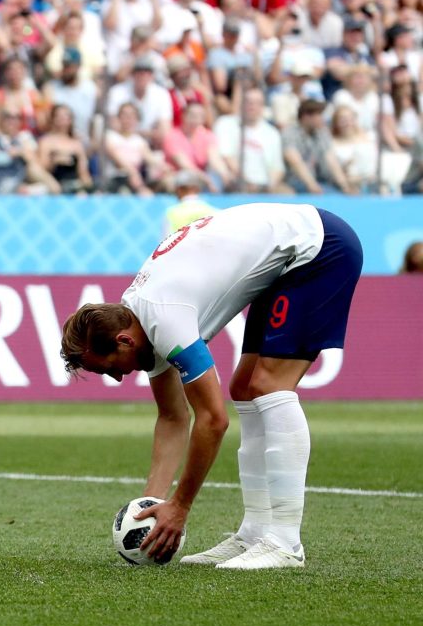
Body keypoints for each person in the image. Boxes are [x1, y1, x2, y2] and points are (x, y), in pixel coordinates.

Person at [60, 203, 364, 569]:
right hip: (286, 257)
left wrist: (180, 507)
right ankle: (255, 532)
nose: (119, 378)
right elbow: (174, 418)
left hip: (318, 246)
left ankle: (285, 541)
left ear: (124, 341)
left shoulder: (162, 316)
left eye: (110, 368)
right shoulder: (138, 320)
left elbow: (212, 420)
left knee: (268, 384)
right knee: (245, 387)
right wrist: (152, 508)